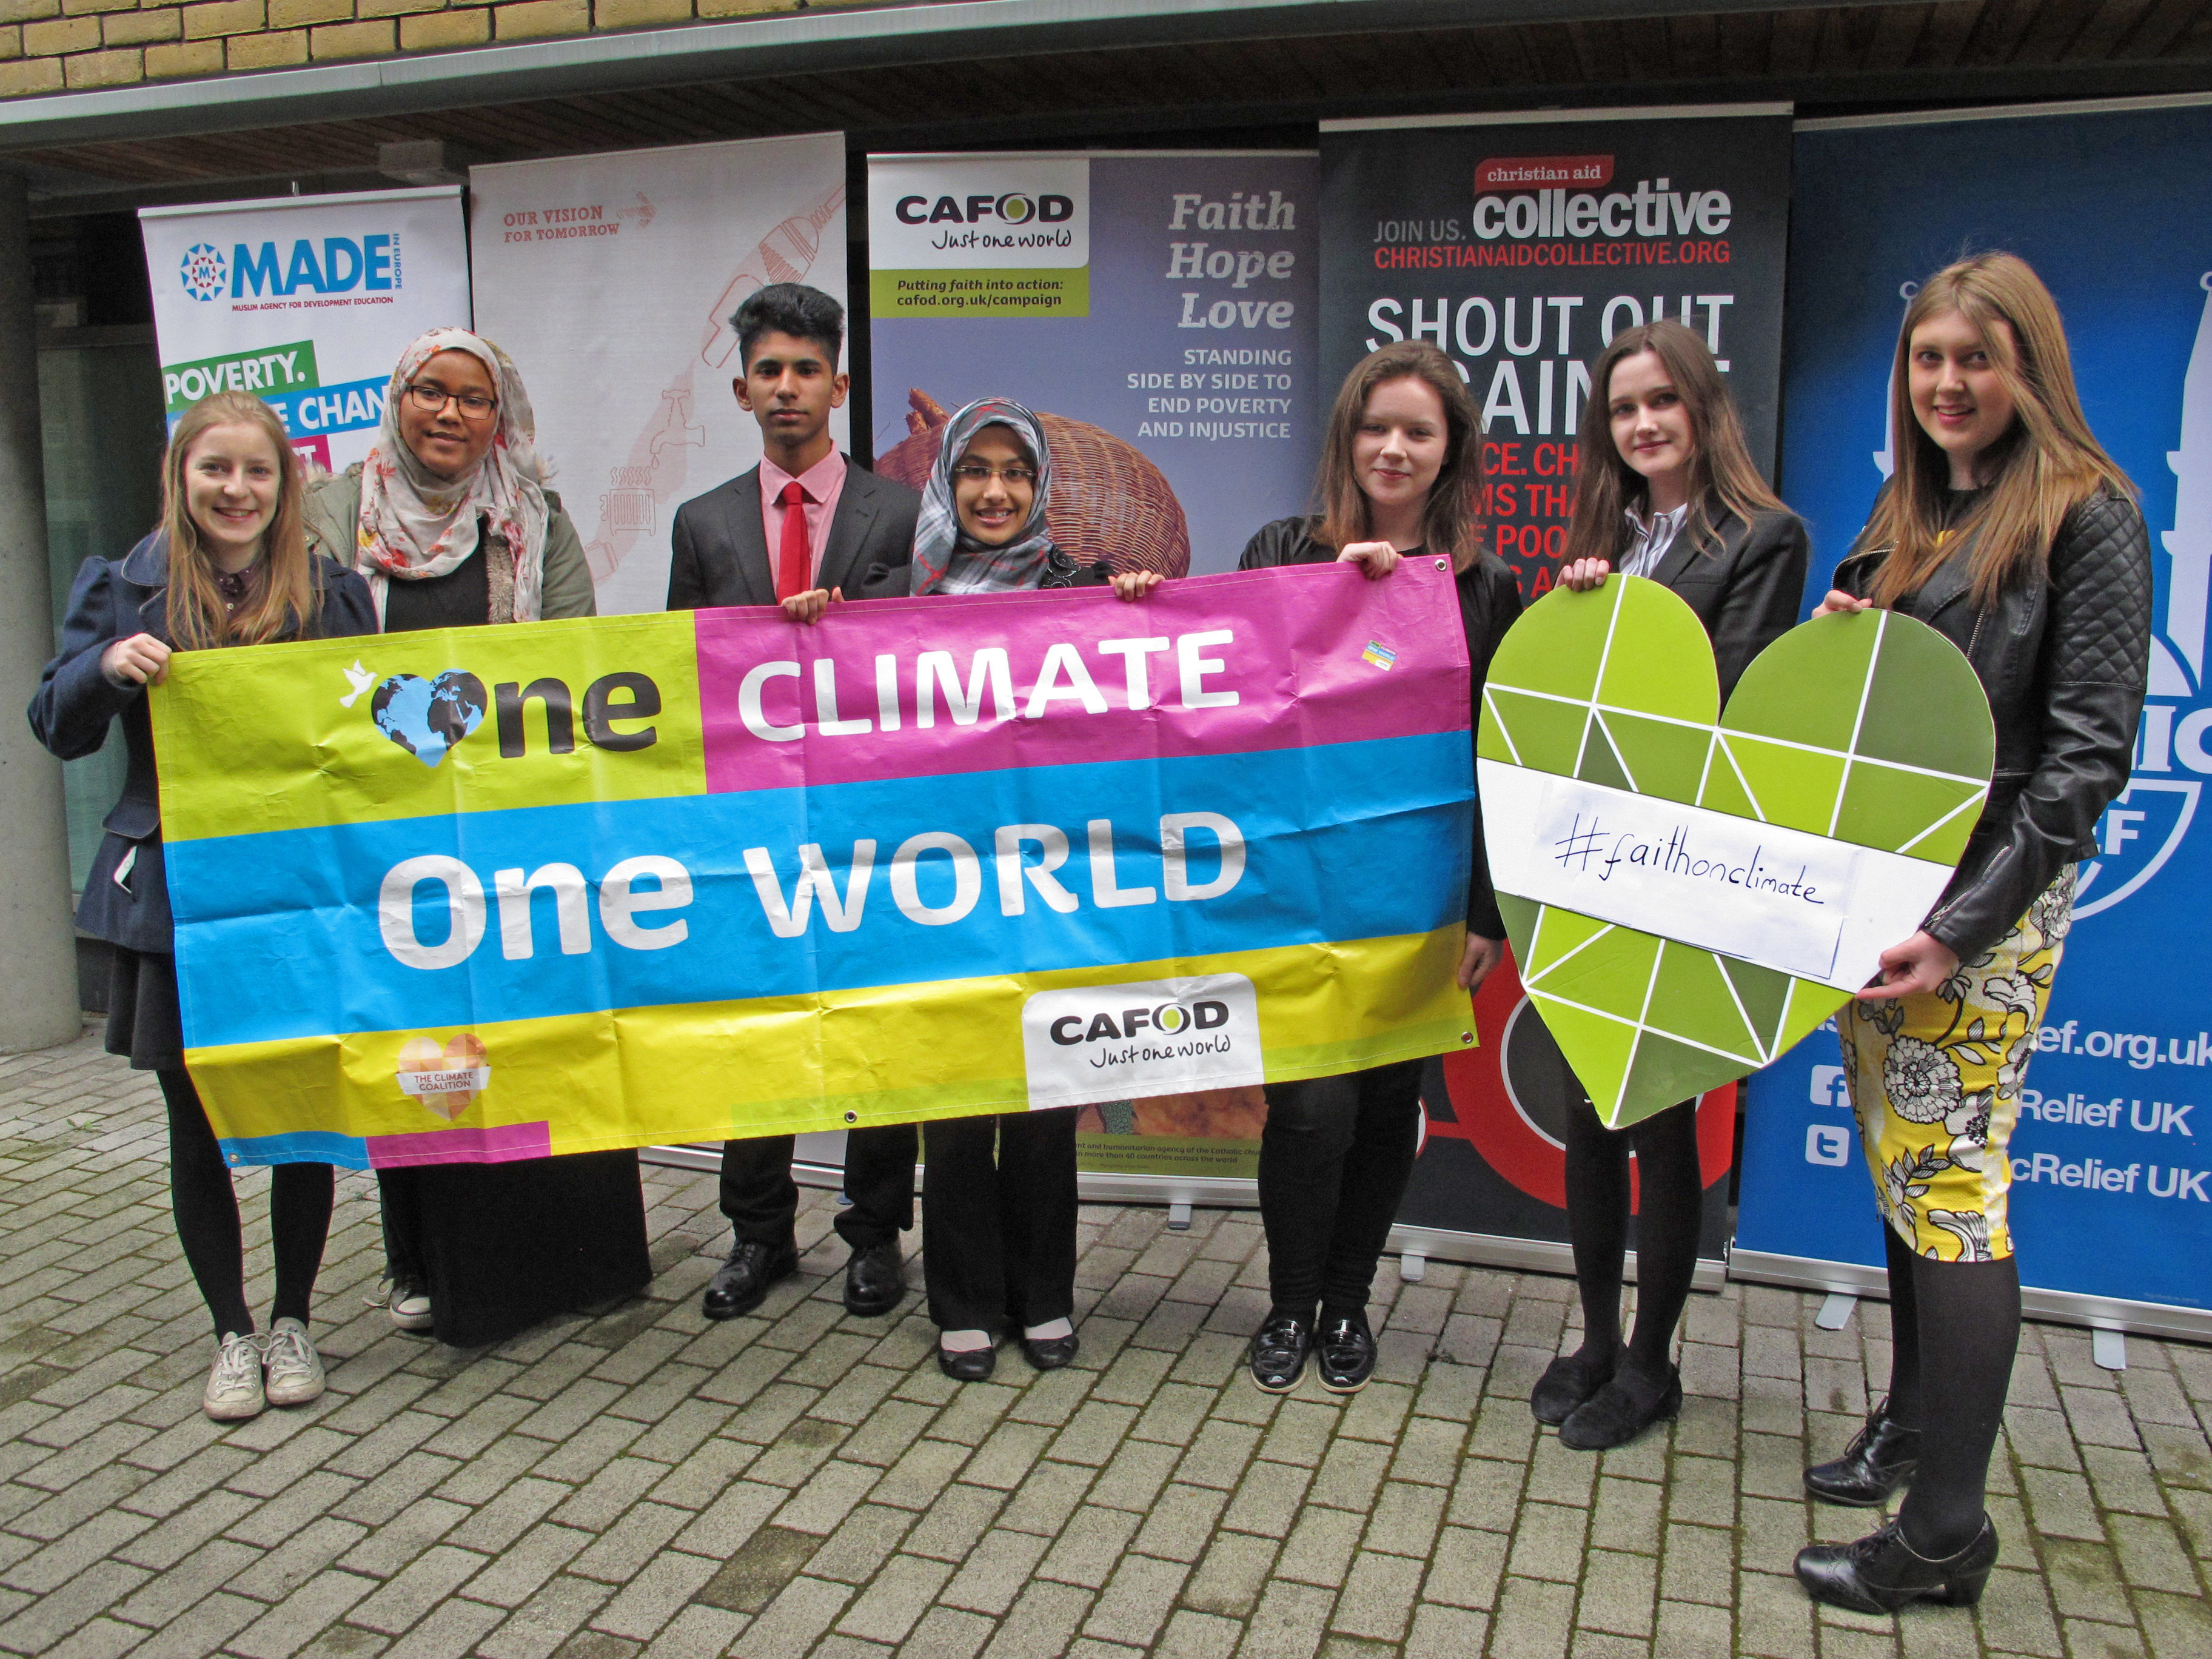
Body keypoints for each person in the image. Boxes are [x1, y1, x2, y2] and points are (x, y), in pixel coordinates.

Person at [1792, 253, 2149, 1614]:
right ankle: (1910, 1425)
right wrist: (1845, 629)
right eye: (1930, 359)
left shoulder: (2089, 512)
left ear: (2030, 367)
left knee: (1952, 1188)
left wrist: (1956, 929)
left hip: (1976, 912)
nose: (1949, 383)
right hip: (1878, 898)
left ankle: (1944, 1532)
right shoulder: (1909, 507)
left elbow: (2083, 757)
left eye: (1977, 359)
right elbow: (1861, 700)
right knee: (1905, 1176)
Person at [30, 391, 377, 1421]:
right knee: (197, 1116)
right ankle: (230, 1329)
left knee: (304, 1109)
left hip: (297, 891)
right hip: (176, 897)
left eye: (257, 472)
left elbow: (372, 737)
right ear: (182, 477)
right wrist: (103, 669)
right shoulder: (123, 587)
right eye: (215, 469)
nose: (237, 490)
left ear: (286, 485)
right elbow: (55, 723)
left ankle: (294, 1321)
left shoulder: (330, 590)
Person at [304, 327, 652, 1347]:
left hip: (519, 835)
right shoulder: (332, 513)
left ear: (502, 416)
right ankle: (428, 1266)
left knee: (544, 1039)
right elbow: (309, 661)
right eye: (430, 393)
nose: (450, 414)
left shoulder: (533, 512)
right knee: (423, 1049)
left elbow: (571, 659)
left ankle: (583, 1264)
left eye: (474, 398)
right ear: (397, 399)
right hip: (387, 835)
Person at [1533, 321, 1811, 1450]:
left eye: (1661, 402)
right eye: (1621, 409)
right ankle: (1596, 1337)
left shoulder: (1763, 535)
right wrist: (1579, 606)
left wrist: (1624, 635)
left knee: (1661, 1126)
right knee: (1589, 1119)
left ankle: (1654, 1365)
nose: (1642, 424)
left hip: (1681, 867)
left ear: (1702, 406)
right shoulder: (1608, 536)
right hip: (1589, 867)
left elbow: (1728, 700)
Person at [1235, 340, 1521, 1395]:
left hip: (1419, 899)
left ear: (1451, 455)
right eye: (1376, 427)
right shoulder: (1278, 549)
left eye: (1418, 432)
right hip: (1290, 891)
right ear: (1346, 438)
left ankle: (1347, 1304)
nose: (1392, 449)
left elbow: (1506, 759)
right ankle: (1287, 1302)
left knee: (1380, 1106)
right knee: (1308, 1112)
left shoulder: (1486, 587)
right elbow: (1218, 699)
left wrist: (1487, 911)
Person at [666, 283, 925, 1323]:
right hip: (752, 820)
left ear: (840, 384)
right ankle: (758, 1233)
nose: (788, 388)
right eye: (769, 370)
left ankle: (874, 1238)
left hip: (875, 815)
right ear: (741, 388)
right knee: (757, 1026)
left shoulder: (905, 513)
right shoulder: (703, 522)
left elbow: (931, 656)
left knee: (877, 1027)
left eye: (806, 370)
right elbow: (677, 676)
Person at [908, 395, 1115, 1379]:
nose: (996, 491)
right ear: (947, 483)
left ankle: (1044, 1298)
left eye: (1016, 473)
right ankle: (962, 1301)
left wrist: (1145, 610)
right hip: (934, 895)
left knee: (1043, 1107)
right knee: (953, 1112)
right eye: (975, 472)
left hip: (1050, 891)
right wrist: (811, 630)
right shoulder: (892, 602)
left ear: (1041, 487)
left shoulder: (1086, 589)